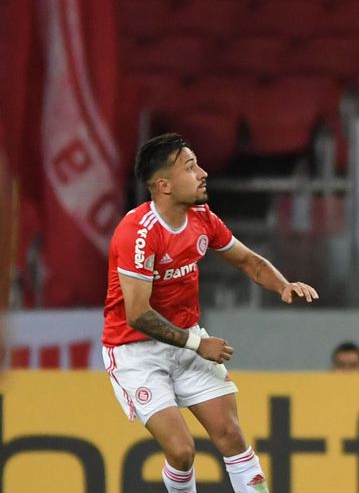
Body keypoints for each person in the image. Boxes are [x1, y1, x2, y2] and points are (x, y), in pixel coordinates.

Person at [102, 133, 319, 493]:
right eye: (190, 167)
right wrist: (196, 344)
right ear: (164, 185)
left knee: (231, 435)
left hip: (187, 341)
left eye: (198, 163)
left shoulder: (201, 216)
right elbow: (137, 313)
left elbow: (249, 261)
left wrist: (283, 285)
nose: (203, 173)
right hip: (135, 351)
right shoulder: (138, 233)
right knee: (182, 451)